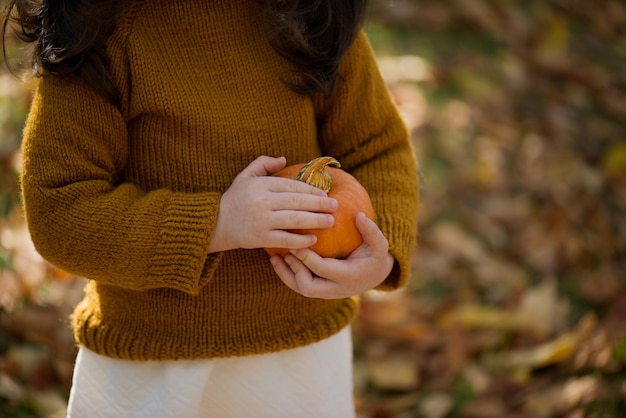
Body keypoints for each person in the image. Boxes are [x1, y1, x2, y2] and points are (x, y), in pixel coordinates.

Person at [3, 0, 419, 417]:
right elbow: (60, 210)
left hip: (301, 360)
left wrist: (379, 253)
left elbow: (377, 147)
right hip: (154, 367)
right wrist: (217, 223)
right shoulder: (100, 33)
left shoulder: (311, 15)